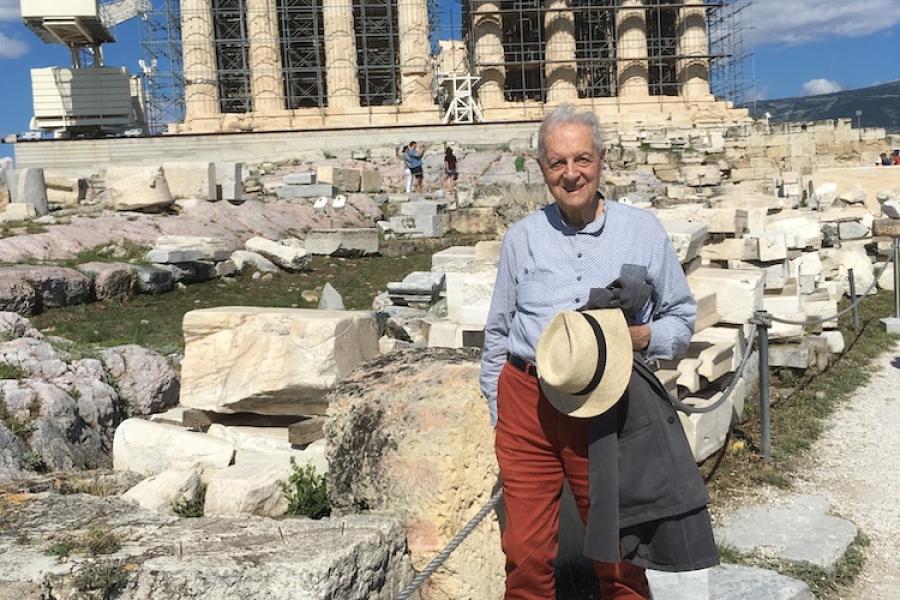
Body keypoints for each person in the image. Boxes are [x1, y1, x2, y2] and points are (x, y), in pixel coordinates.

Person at [480, 104, 712, 600]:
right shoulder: (522, 238)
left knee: (618, 553)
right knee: (524, 553)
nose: (571, 174)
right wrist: (501, 410)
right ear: (541, 167)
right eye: (557, 163)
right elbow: (498, 331)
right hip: (529, 400)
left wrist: (640, 338)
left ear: (601, 160)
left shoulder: (642, 231)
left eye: (581, 159)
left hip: (608, 406)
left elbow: (680, 316)